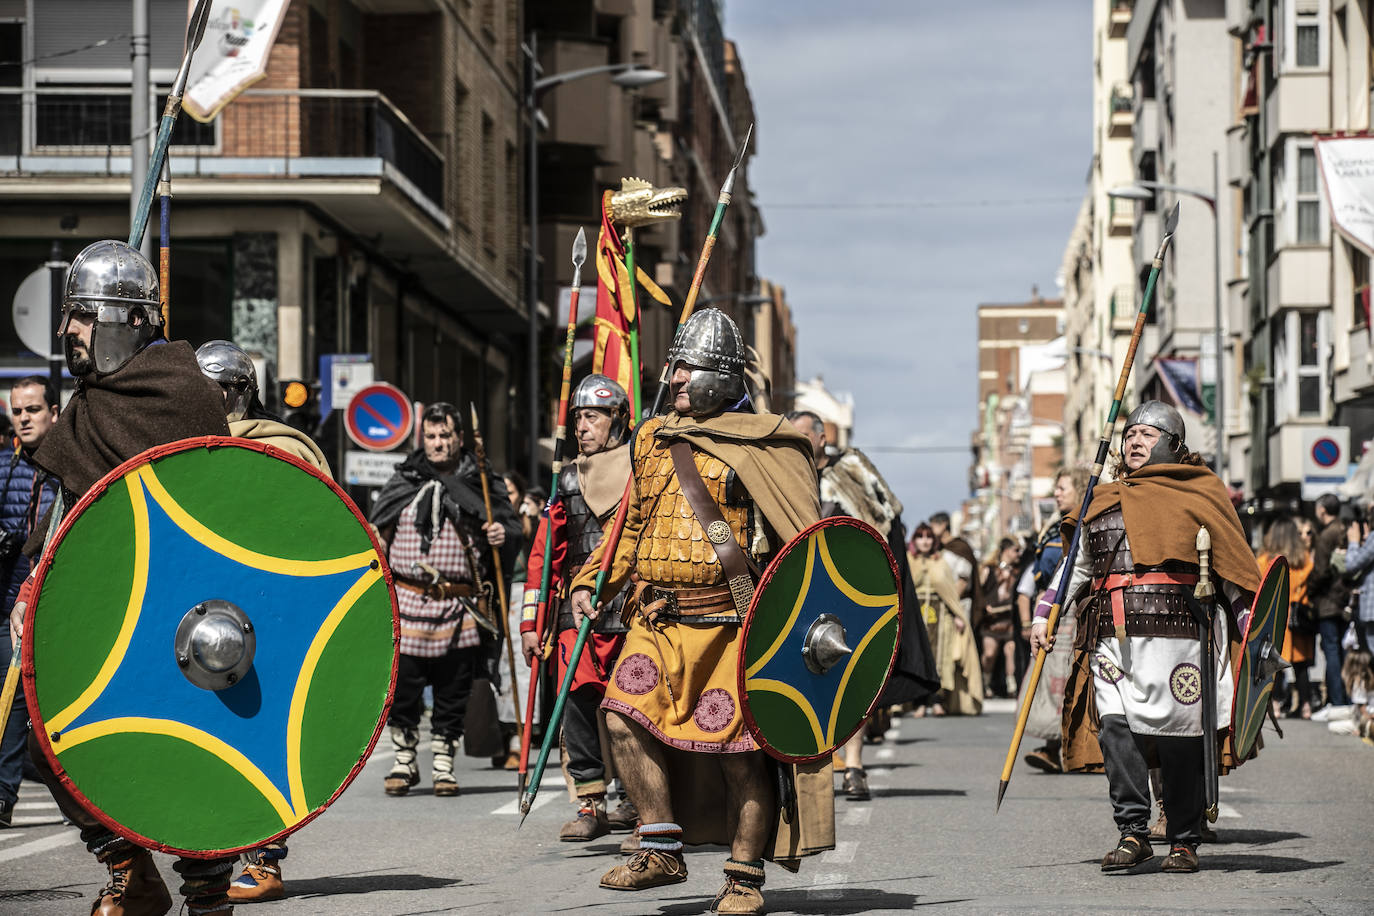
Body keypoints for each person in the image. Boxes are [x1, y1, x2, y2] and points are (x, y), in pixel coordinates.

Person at [568, 309, 831, 915]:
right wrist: (593, 582)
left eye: (688, 367)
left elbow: (804, 543)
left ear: (721, 374)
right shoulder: (654, 439)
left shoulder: (768, 443)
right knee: (620, 719)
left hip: (731, 627)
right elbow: (632, 528)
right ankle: (660, 845)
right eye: (675, 365)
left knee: (738, 752)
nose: (675, 376)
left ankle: (743, 876)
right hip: (656, 620)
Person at [9, 239, 234, 914]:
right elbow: (66, 519)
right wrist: (30, 592)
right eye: (69, 316)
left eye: (81, 314)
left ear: (131, 320)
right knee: (44, 739)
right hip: (99, 610)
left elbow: (217, 515)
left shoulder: (181, 391)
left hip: (182, 616)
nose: (65, 331)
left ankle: (207, 884)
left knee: (190, 746)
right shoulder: (88, 403)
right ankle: (129, 868)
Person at [1031, 400, 1259, 875]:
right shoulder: (1103, 498)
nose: (1134, 440)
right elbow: (1077, 567)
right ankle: (1133, 832)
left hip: (1180, 641)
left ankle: (1183, 839)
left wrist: (1253, 631)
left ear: (1173, 445)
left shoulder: (1199, 495)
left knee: (1179, 741)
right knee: (1116, 731)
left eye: (1148, 435)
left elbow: (1234, 575)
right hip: (1115, 638)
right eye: (1130, 433)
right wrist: (1044, 616)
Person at [196, 340, 332, 904]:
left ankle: (264, 860)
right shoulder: (184, 450)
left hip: (268, 617)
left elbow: (314, 530)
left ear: (238, 393)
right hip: (203, 619)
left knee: (262, 737)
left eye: (215, 390)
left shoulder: (282, 449)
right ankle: (210, 852)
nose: (206, 400)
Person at [783, 410, 937, 802]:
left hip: (853, 594)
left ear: (821, 438)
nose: (798, 441)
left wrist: (886, 592)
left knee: (854, 678)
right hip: (803, 595)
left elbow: (888, 527)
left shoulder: (852, 471)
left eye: (804, 435)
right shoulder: (783, 475)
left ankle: (854, 766)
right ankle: (811, 768)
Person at [369, 403, 520, 798]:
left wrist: (502, 534)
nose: (437, 444)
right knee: (402, 689)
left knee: (453, 691)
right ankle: (404, 761)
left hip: (460, 606)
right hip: (407, 600)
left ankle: (442, 764)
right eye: (431, 437)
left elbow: (509, 528)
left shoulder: (482, 481)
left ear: (459, 439)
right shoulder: (405, 478)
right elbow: (379, 528)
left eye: (445, 436)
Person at [519, 374, 635, 841]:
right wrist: (533, 622)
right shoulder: (566, 478)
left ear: (618, 419)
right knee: (579, 706)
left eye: (593, 416)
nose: (582, 427)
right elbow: (546, 557)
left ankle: (637, 801)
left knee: (633, 710)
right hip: (577, 615)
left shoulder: (642, 471)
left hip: (631, 611)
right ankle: (590, 803)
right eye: (578, 417)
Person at [0, 377, 59, 829]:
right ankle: (3, 798)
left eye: (33, 410)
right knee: (11, 702)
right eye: (17, 411)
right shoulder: (5, 467)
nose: (23, 418)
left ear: (53, 413)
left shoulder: (69, 466)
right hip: (10, 605)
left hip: (57, 605)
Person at [1019, 465, 1089, 774]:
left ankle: (1076, 749)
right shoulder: (1057, 527)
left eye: (1063, 488)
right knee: (1053, 679)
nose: (1056, 493)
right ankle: (1054, 746)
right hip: (1056, 612)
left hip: (1079, 612)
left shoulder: (1090, 523)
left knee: (1075, 679)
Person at [909, 522, 983, 716]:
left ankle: (937, 700)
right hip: (916, 616)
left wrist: (957, 616)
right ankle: (919, 702)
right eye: (920, 536)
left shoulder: (941, 561)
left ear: (934, 540)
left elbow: (949, 592)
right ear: (914, 540)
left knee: (941, 658)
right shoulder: (908, 560)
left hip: (941, 616)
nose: (924, 541)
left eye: (928, 537)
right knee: (917, 658)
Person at [1255, 517, 1316, 720]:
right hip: (1297, 619)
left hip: (1276, 619)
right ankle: (1306, 706)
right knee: (1301, 667)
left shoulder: (1265, 560)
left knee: (1274, 663)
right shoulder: (1303, 558)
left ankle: (1276, 705)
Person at [1309, 493, 1351, 712]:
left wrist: (1310, 590)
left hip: (1327, 601)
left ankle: (1337, 701)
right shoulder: (1344, 530)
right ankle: (1347, 698)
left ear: (1322, 510)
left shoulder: (1326, 535)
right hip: (1345, 599)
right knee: (1344, 651)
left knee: (1332, 651)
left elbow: (1321, 571)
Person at [979, 538, 1021, 698]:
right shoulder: (989, 569)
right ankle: (985, 684)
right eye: (1015, 550)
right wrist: (984, 606)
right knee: (989, 654)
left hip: (1010, 620)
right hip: (992, 620)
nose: (1018, 554)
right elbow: (979, 590)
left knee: (1011, 650)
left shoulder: (1017, 571)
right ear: (1006, 550)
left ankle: (1012, 686)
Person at [930, 511, 978, 616]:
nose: (931, 530)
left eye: (933, 526)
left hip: (959, 605)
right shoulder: (938, 550)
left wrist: (951, 604)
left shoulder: (960, 548)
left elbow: (963, 581)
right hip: (941, 605)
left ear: (943, 525)